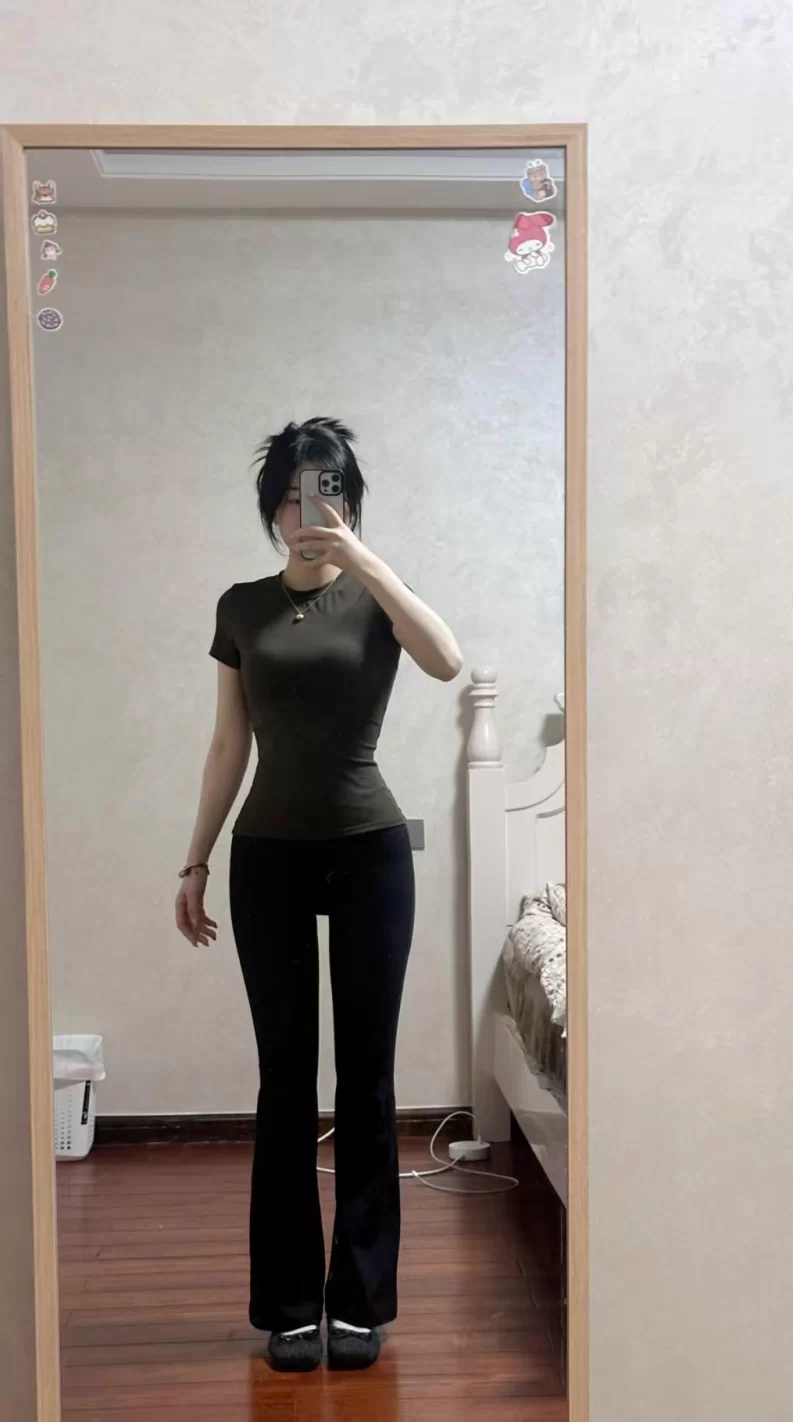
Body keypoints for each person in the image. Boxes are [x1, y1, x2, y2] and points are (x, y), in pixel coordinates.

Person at [175, 417, 462, 1373]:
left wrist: (363, 560)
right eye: (294, 496)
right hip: (268, 858)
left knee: (368, 1079)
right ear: (272, 510)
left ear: (348, 500)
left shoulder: (376, 596)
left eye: (326, 491)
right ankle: (291, 1304)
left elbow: (446, 659)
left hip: (371, 854)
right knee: (285, 1078)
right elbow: (229, 744)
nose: (309, 512)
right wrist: (194, 860)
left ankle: (362, 1303)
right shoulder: (241, 607)